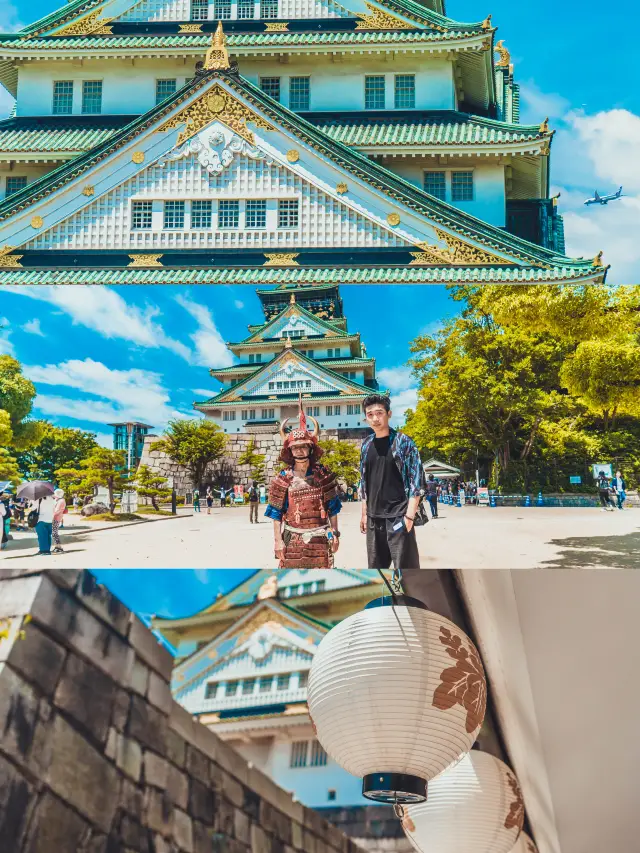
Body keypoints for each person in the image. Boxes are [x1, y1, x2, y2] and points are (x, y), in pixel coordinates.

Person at [266, 394, 341, 568]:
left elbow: (333, 507)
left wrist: (335, 534)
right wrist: (278, 541)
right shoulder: (282, 478)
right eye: (295, 448)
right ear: (289, 451)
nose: (299, 451)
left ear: (311, 448)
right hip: (292, 540)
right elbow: (276, 514)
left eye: (303, 446)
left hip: (321, 539)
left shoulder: (322, 475)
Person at [359, 394, 424, 569]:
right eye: (370, 414)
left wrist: (409, 516)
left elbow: (416, 481)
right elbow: (364, 482)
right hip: (374, 518)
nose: (375, 418)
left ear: (389, 414)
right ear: (366, 417)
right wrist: (364, 514)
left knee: (406, 570)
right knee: (376, 570)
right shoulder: (365, 445)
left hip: (398, 516)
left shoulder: (403, 443)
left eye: (379, 413)